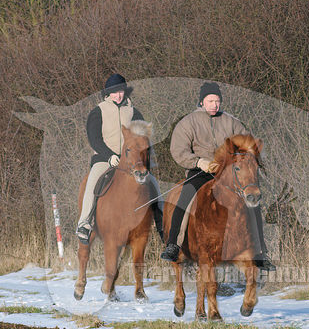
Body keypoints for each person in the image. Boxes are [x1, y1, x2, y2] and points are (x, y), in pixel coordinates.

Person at [160, 81, 275, 270]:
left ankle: (260, 251)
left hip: (228, 173)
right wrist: (199, 162)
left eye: (217, 101)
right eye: (211, 100)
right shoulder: (188, 122)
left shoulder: (230, 121)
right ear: (202, 102)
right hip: (200, 170)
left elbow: (247, 143)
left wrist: (246, 157)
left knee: (252, 201)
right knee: (185, 196)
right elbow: (178, 150)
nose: (215, 104)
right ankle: (174, 244)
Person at [76, 73, 163, 244]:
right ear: (107, 94)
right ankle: (84, 222)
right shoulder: (98, 112)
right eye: (114, 92)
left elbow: (143, 138)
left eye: (121, 91)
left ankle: (161, 223)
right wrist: (109, 156)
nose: (118, 95)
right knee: (93, 179)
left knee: (153, 182)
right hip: (104, 158)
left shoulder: (133, 111)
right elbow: (94, 139)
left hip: (131, 160)